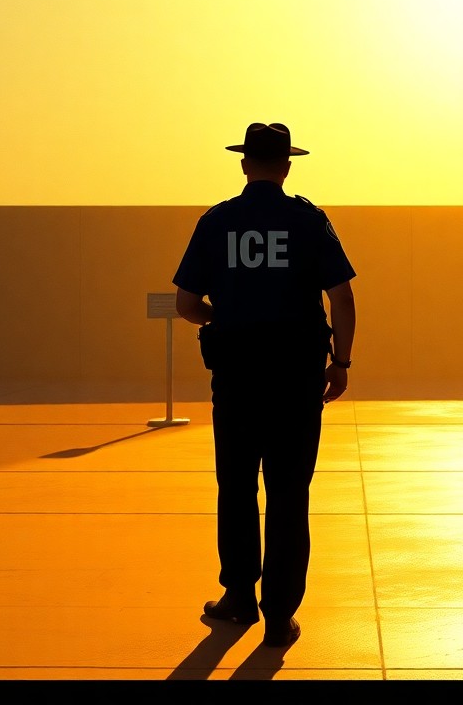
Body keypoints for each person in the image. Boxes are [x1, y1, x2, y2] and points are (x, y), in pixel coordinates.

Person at [171, 121, 356, 648]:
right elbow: (342, 299)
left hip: (237, 377)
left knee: (236, 488)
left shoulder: (217, 221)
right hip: (296, 378)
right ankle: (279, 615)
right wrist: (340, 363)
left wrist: (223, 319)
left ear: (245, 164)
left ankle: (238, 598)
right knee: (288, 493)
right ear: (288, 166)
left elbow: (186, 304)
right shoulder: (308, 219)